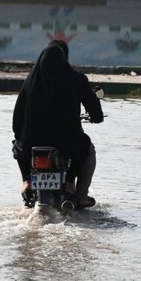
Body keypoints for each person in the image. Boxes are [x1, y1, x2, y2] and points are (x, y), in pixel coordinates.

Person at [12, 40, 103, 208]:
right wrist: (96, 116)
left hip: (31, 144)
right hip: (65, 144)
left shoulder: (31, 82)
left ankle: (26, 181)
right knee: (86, 147)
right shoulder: (76, 80)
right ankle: (74, 188)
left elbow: (16, 121)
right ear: (64, 60)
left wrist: (21, 137)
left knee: (17, 145)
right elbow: (96, 114)